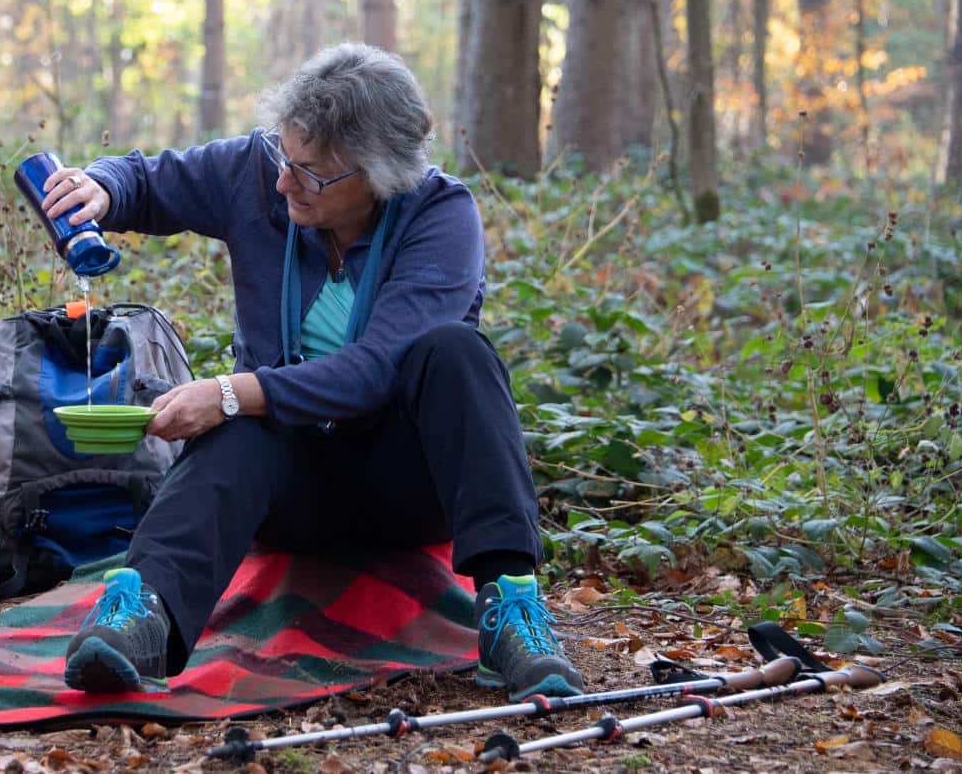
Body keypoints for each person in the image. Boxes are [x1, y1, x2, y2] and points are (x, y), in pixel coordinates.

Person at [37, 44, 584, 702]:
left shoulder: (441, 218)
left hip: (404, 489)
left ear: (381, 175)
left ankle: (512, 609)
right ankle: (143, 610)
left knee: (457, 354)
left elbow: (376, 368)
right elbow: (150, 180)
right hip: (285, 488)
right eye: (284, 157)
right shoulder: (258, 170)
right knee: (243, 421)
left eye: (312, 173)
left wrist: (232, 389)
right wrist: (102, 186)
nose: (283, 182)